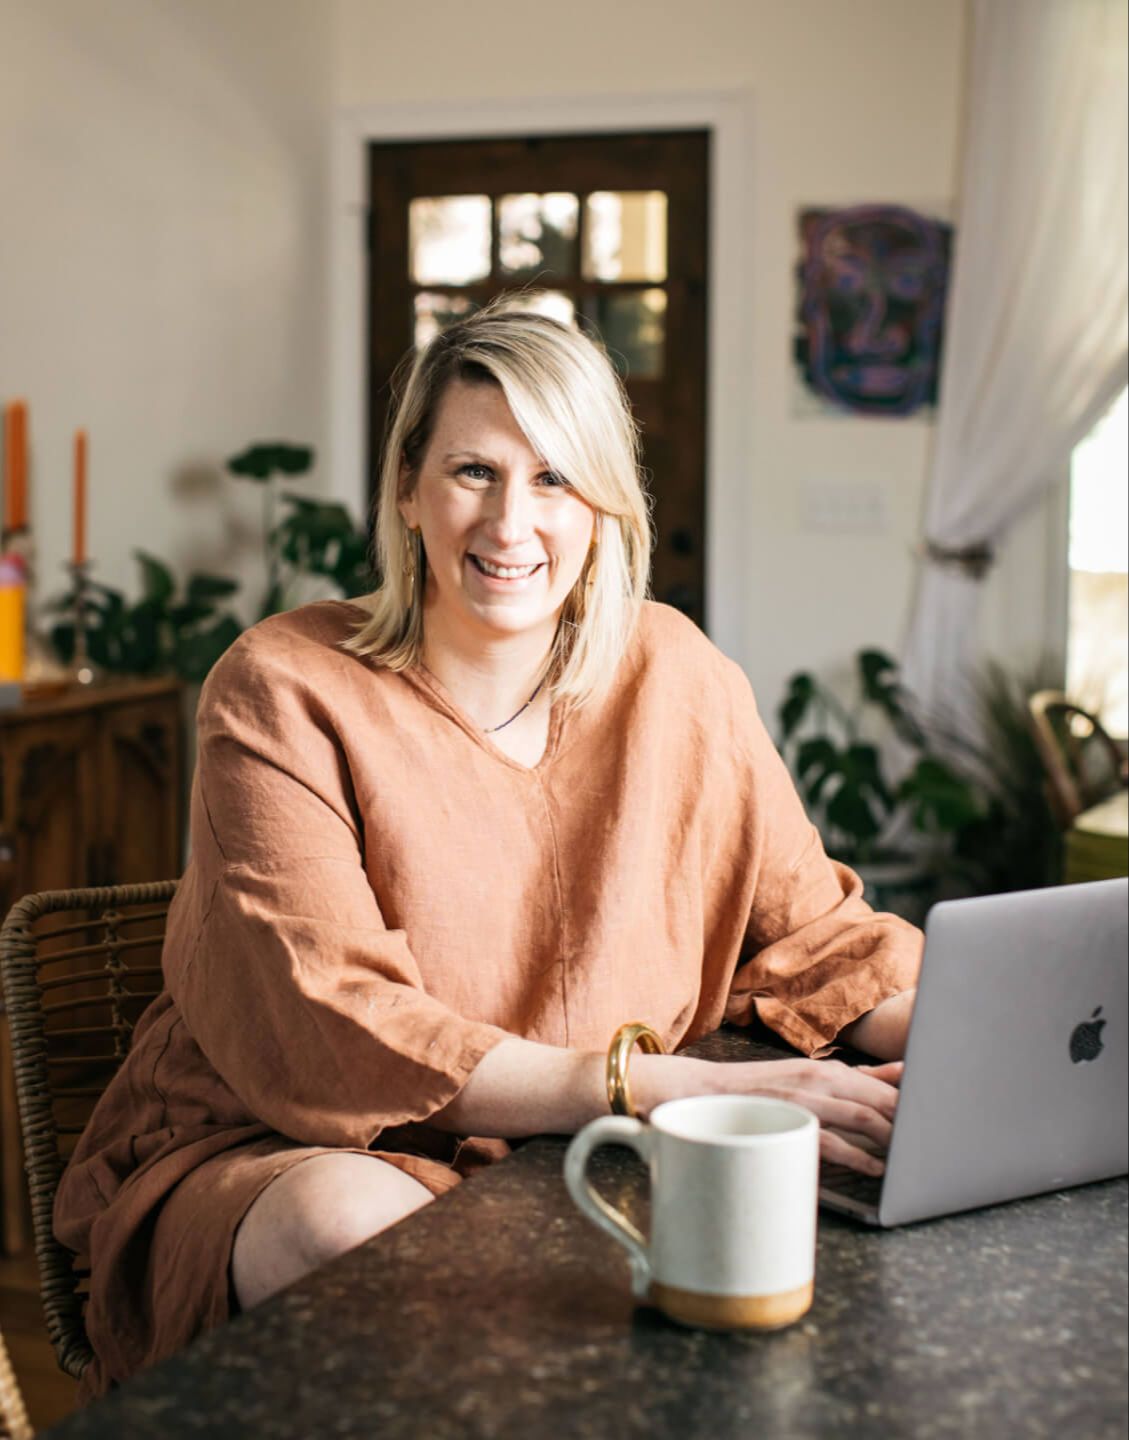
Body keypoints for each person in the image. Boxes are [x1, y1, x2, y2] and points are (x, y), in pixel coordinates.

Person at [55, 303, 921, 1400]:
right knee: (353, 1228)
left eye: (555, 478)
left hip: (577, 1150)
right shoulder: (280, 686)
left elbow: (820, 941)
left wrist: (962, 1046)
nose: (512, 523)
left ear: (603, 507)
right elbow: (335, 1023)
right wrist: (647, 1087)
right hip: (302, 1141)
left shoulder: (679, 673)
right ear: (407, 489)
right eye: (474, 471)